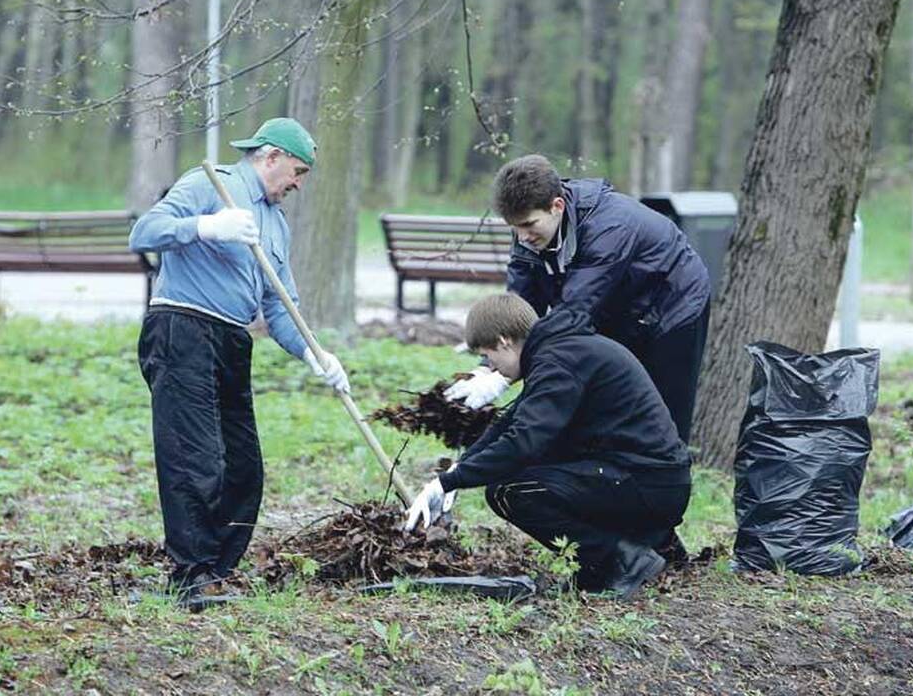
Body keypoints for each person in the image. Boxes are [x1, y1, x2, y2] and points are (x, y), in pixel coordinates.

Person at [129, 117, 350, 608]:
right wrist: (205, 227)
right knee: (195, 459)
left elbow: (279, 304)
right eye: (296, 171)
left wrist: (316, 352)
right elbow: (146, 232)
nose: (297, 183)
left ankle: (216, 569)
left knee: (243, 467)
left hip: (231, 340)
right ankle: (192, 575)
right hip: (181, 328)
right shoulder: (214, 185)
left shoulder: (275, 223)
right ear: (269, 156)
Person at [408, 294, 692, 599]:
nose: (491, 367)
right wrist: (456, 473)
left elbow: (522, 444)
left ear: (504, 341)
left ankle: (623, 560)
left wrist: (449, 482)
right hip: (652, 481)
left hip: (647, 485)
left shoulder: (559, 363)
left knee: (510, 492)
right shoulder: (557, 351)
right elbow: (509, 424)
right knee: (538, 471)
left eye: (488, 357)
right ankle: (650, 543)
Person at [444, 154, 711, 446]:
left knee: (661, 412)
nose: (521, 238)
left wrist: (503, 379)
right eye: (514, 228)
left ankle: (667, 479)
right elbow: (518, 308)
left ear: (557, 206)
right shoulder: (529, 231)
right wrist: (488, 364)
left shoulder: (610, 227)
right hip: (616, 307)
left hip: (673, 307)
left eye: (528, 225)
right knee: (601, 399)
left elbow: (574, 311)